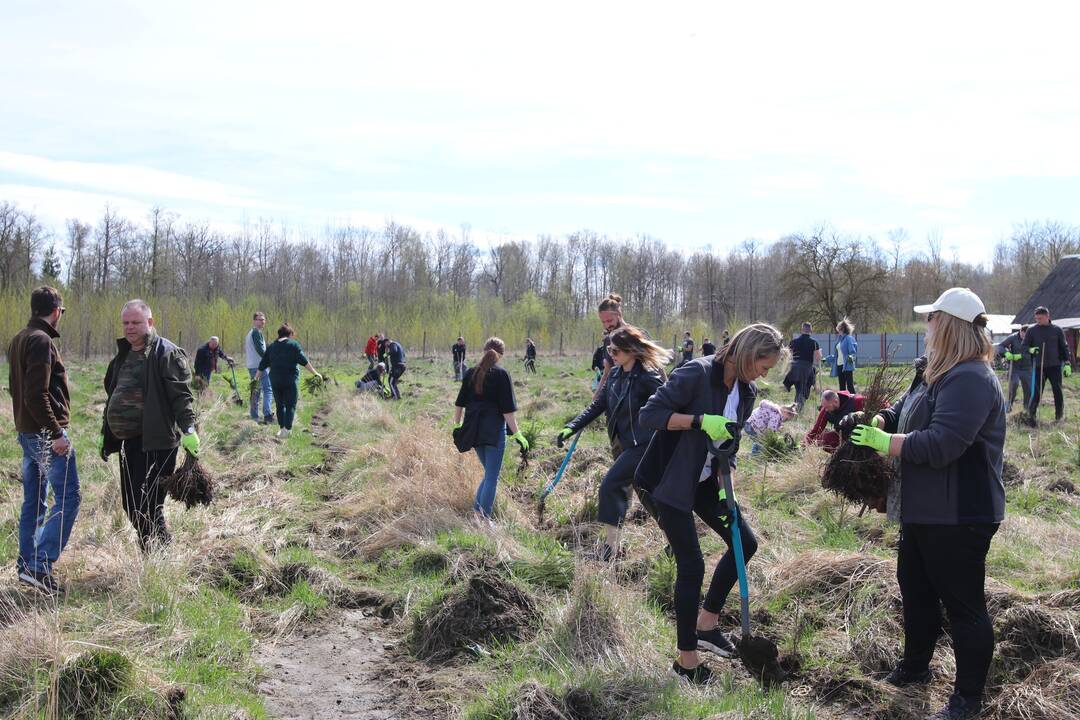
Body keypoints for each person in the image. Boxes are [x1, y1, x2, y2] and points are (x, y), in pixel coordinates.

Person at [850, 287, 1005, 720]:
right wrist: (879, 419)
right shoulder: (933, 371)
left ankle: (967, 700)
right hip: (922, 510)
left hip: (959, 515)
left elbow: (943, 445)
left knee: (963, 605)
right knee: (915, 592)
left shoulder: (972, 377)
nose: (927, 326)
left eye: (931, 318)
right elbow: (902, 410)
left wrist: (887, 442)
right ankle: (916, 668)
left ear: (949, 324)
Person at [636, 323, 788, 684]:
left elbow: (727, 446)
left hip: (704, 478)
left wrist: (725, 486)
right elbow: (650, 415)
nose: (765, 374)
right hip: (666, 480)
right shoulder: (697, 373)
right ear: (748, 353)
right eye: (764, 366)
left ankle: (707, 624)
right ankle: (686, 662)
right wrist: (700, 421)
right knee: (692, 565)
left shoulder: (746, 391)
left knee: (744, 543)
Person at [556, 326, 670, 561]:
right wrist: (571, 426)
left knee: (610, 485)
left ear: (631, 350)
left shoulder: (649, 377)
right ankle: (677, 540)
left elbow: (670, 405)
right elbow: (598, 405)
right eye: (609, 350)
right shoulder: (616, 375)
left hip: (646, 445)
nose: (612, 355)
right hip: (625, 444)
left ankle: (610, 549)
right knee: (649, 497)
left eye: (616, 350)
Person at [101, 299, 199, 552]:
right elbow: (113, 393)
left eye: (136, 322)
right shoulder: (123, 355)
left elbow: (181, 396)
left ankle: (157, 551)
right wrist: (106, 432)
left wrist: (189, 430)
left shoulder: (166, 353)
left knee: (147, 504)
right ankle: (156, 547)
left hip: (156, 442)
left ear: (150, 322)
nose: (130, 328)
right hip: (127, 442)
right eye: (126, 323)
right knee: (130, 503)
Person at [7, 286, 80, 593]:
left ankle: (27, 566)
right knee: (69, 497)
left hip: (27, 431)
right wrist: (56, 434)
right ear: (55, 312)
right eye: (60, 313)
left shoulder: (19, 338)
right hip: (43, 435)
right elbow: (36, 395)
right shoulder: (41, 340)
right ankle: (39, 564)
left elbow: (19, 390)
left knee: (34, 502)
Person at [453, 338, 529, 524]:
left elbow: (459, 403)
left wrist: (457, 426)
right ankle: (484, 520)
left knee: (489, 475)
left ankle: (476, 516)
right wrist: (517, 433)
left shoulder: (470, 372)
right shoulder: (502, 374)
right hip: (494, 432)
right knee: (492, 478)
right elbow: (507, 410)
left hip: (473, 431)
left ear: (484, 350)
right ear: (501, 355)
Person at [256, 323, 322, 437]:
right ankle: (287, 430)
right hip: (290, 380)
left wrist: (255, 378)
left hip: (275, 380)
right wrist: (315, 373)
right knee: (291, 405)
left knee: (279, 405)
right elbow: (304, 361)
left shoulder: (271, 347)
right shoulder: (293, 345)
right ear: (290, 334)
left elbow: (262, 364)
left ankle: (281, 429)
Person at [1023, 306, 1072, 422]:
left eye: (1040, 318)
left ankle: (1059, 417)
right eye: (1036, 319)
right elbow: (1024, 347)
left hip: (1055, 366)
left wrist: (1067, 362)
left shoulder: (1057, 330)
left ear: (1047, 316)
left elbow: (1064, 347)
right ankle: (1031, 417)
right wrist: (1030, 350)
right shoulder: (1031, 330)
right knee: (1036, 392)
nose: (1038, 321)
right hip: (1039, 366)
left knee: (1057, 391)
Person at [784, 322, 822, 413]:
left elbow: (788, 355)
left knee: (798, 389)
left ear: (802, 330)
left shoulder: (794, 341)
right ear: (811, 330)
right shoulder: (814, 342)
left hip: (795, 367)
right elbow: (818, 358)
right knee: (803, 389)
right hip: (807, 368)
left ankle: (795, 408)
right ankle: (798, 409)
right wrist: (820, 353)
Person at [595, 293, 628, 396]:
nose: (607, 325)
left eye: (609, 320)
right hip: (616, 394)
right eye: (603, 322)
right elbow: (607, 372)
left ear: (619, 315)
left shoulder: (636, 335)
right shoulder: (608, 340)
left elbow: (656, 365)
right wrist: (597, 396)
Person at [245, 312, 274, 424]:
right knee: (268, 389)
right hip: (259, 366)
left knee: (256, 390)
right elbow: (259, 349)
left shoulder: (251, 333)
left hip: (252, 365)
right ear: (254, 321)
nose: (262, 322)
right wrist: (269, 360)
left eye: (263, 319)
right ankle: (267, 414)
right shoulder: (256, 333)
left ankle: (254, 416)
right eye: (259, 319)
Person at [996, 325, 1031, 412]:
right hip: (1015, 367)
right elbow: (1000, 346)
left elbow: (1035, 352)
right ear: (1020, 331)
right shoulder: (1013, 338)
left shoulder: (1032, 338)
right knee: (1013, 385)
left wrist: (1020, 356)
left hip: (1027, 368)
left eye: (1025, 335)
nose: (1024, 337)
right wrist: (1006, 353)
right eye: (1022, 334)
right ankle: (1008, 406)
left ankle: (1027, 409)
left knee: (1028, 389)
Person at [833, 318, 857, 393]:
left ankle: (855, 402)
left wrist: (851, 357)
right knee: (842, 388)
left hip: (847, 365)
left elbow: (852, 351)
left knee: (850, 386)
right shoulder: (840, 340)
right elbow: (837, 354)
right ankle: (844, 403)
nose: (838, 331)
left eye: (839, 329)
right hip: (839, 365)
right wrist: (825, 359)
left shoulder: (848, 338)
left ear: (842, 329)